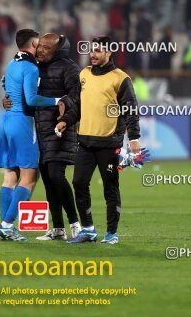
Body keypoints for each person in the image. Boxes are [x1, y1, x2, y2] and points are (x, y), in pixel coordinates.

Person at [55, 36, 141, 244]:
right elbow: (77, 104)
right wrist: (65, 120)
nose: (92, 54)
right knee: (79, 183)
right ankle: (88, 229)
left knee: (110, 188)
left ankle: (112, 233)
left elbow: (130, 110)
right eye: (91, 50)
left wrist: (134, 138)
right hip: (85, 142)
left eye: (98, 50)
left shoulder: (120, 78)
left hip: (109, 144)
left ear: (109, 53)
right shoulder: (84, 74)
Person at [0, 29, 61, 242]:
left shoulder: (12, 63)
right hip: (22, 122)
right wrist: (56, 100)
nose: (41, 47)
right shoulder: (30, 66)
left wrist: (7, 99)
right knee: (30, 178)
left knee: (10, 176)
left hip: (5, 121)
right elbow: (31, 100)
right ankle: (6, 226)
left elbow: (5, 85)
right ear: (33, 43)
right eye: (39, 43)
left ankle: (6, 226)